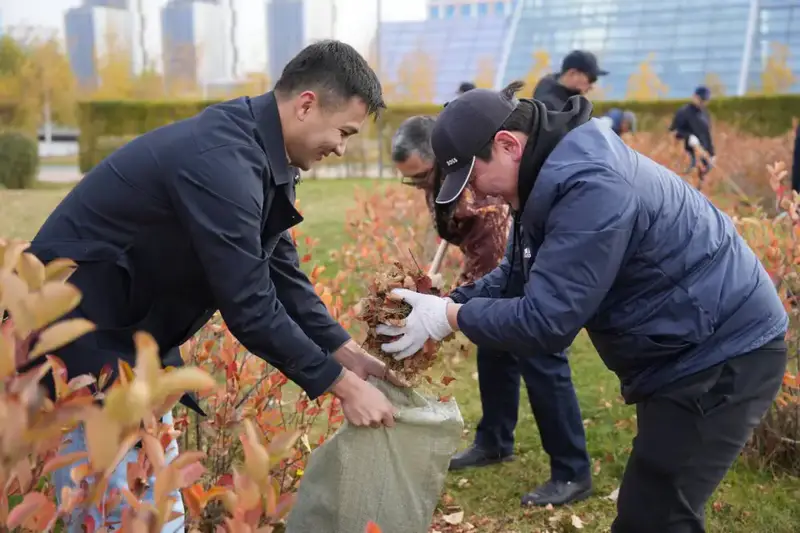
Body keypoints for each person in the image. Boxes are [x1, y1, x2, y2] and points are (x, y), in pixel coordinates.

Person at [22, 40, 405, 532]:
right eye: (344, 132)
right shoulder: (222, 160)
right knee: (117, 514)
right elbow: (249, 304)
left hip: (131, 340)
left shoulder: (260, 151)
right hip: (81, 346)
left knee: (157, 511)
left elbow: (281, 270)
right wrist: (343, 387)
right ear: (306, 104)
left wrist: (346, 353)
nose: (341, 148)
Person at [377, 83, 788, 532]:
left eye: (474, 178)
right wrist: (447, 303)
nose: (478, 193)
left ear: (509, 145)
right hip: (683, 344)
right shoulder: (547, 174)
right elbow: (515, 275)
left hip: (722, 351)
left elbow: (546, 322)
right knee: (655, 505)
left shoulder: (589, 184)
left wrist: (448, 318)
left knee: (655, 516)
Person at [390, 114, 592, 506]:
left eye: (422, 177)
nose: (420, 187)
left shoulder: (482, 188)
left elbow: (497, 258)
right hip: (501, 266)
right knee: (493, 350)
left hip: (527, 267)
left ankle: (572, 471)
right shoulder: (443, 184)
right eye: (411, 181)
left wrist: (451, 305)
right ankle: (495, 441)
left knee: (540, 355)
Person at [670, 85, 716, 189]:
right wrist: (689, 137)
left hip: (703, 154)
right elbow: (674, 132)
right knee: (687, 182)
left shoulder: (705, 114)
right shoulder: (683, 112)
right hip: (687, 154)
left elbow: (707, 134)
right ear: (694, 97)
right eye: (701, 99)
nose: (702, 103)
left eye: (704, 101)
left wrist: (712, 153)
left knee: (699, 185)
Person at [532, 50, 608, 111]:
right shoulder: (551, 105)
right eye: (591, 79)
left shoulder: (553, 82)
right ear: (572, 73)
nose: (592, 86)